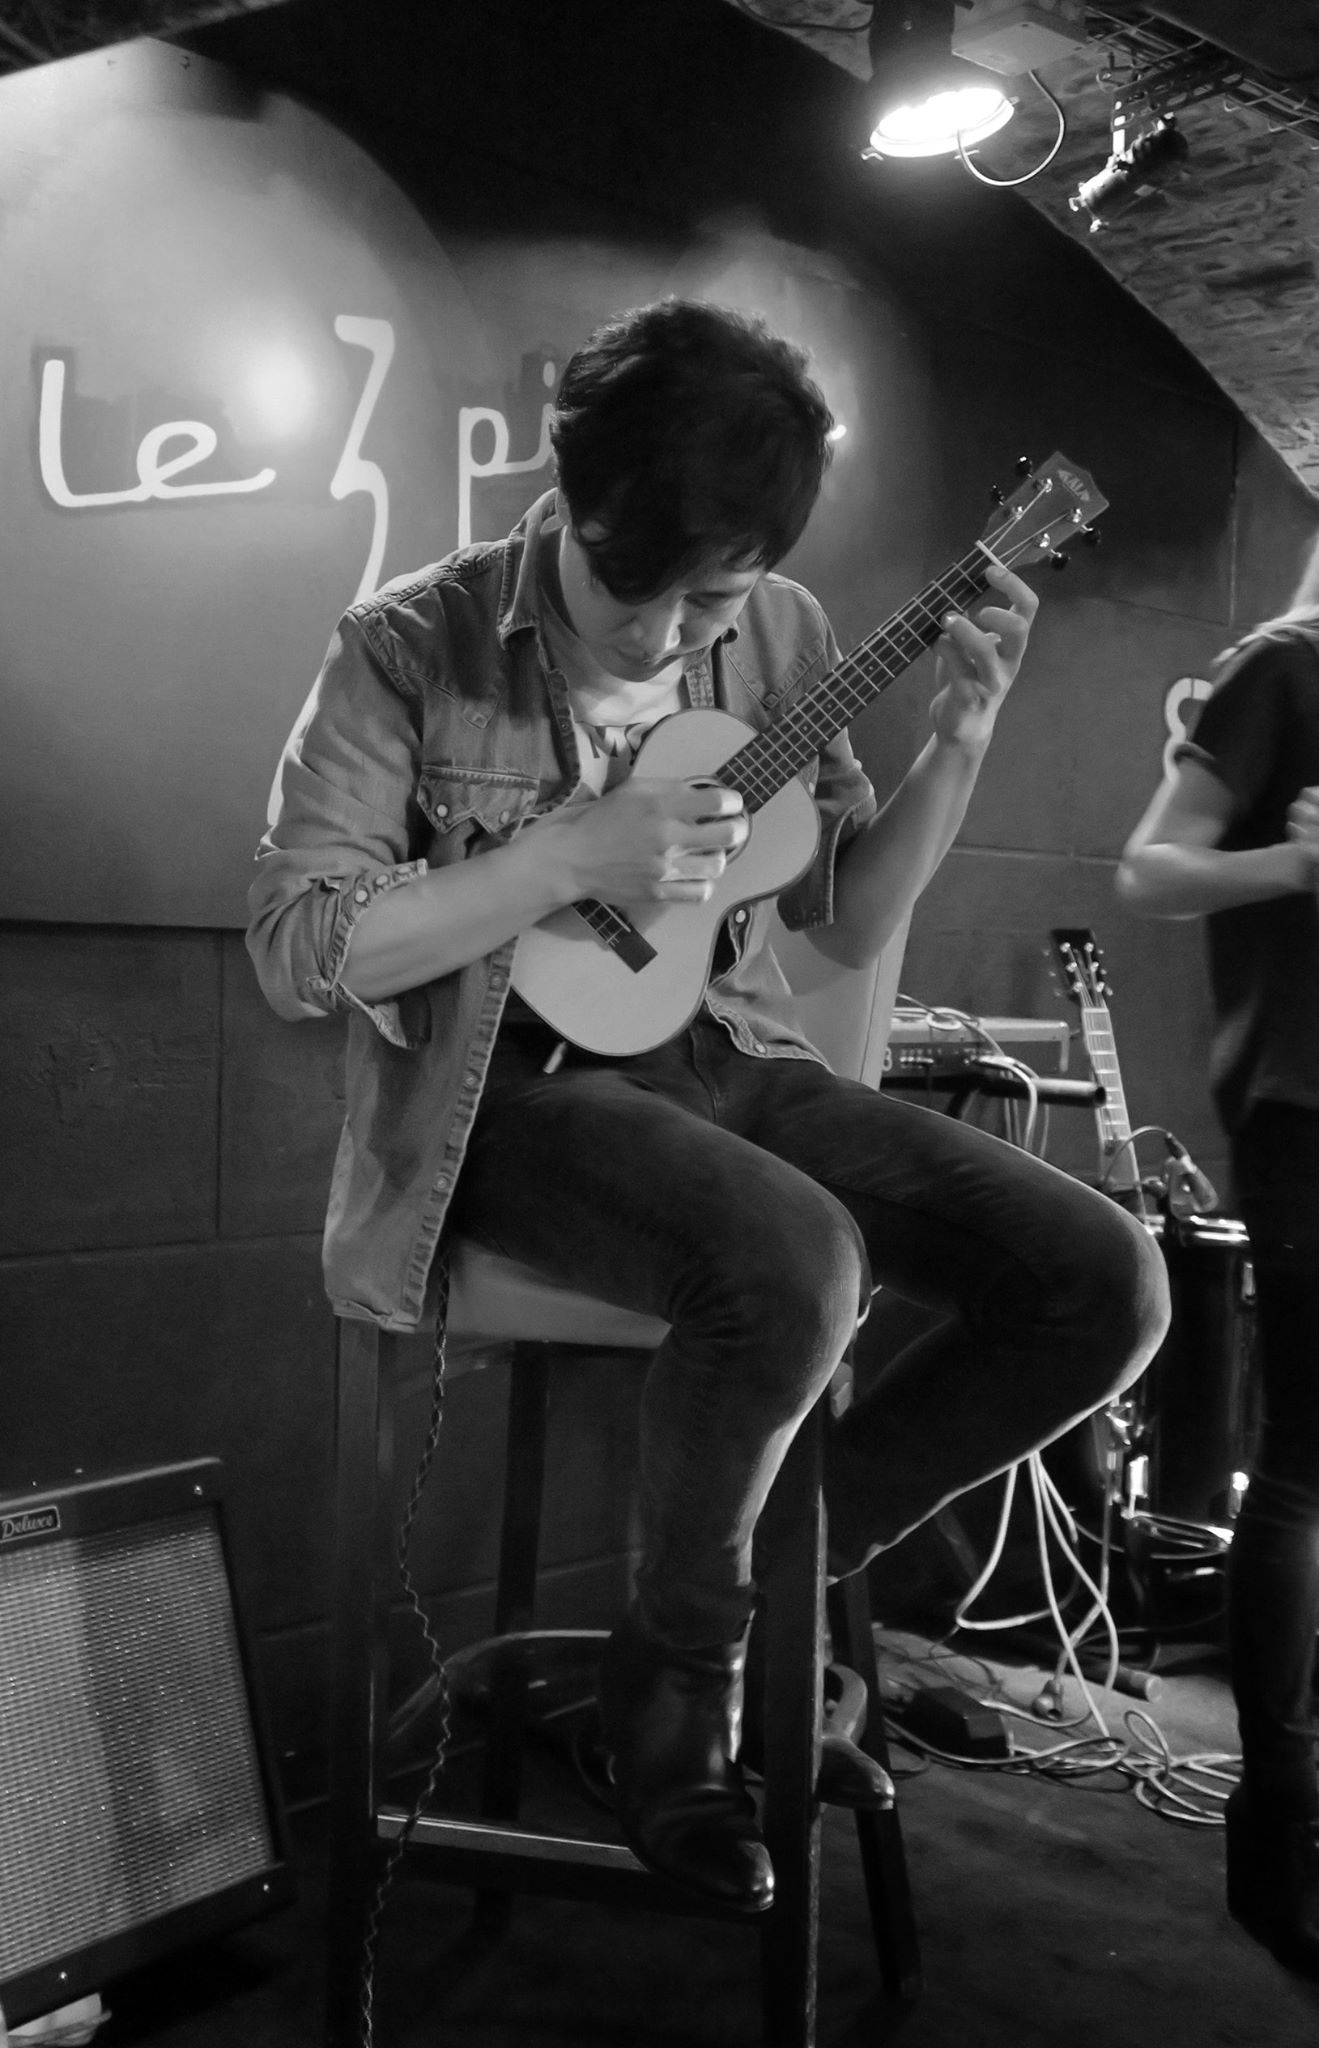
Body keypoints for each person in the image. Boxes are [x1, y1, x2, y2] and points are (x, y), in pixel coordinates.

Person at [249, 297, 1168, 1917]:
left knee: (1105, 1279)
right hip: (505, 1097)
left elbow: (849, 921)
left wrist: (964, 740)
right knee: (795, 1262)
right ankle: (679, 1707)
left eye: (717, 600)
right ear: (568, 497)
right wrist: (558, 857)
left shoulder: (785, 634)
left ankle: (764, 1593)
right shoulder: (409, 643)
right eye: (637, 590)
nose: (672, 636)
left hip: (729, 1057)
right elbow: (296, 947)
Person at [1118, 547, 1319, 1975]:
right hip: (1307, 1109)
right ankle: (1279, 1819)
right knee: (1304, 1466)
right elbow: (1149, 868)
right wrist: (1298, 863)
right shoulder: (1286, 671)